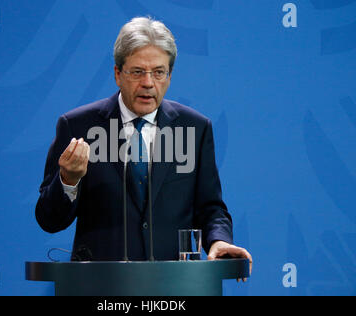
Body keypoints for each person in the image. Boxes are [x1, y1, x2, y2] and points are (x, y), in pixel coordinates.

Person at [35, 17, 252, 275]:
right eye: (137, 72)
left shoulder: (195, 128)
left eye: (158, 72)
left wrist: (219, 240)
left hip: (174, 285)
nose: (148, 82)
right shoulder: (77, 127)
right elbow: (49, 220)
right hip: (100, 283)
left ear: (169, 76)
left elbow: (210, 206)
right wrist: (68, 179)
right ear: (118, 74)